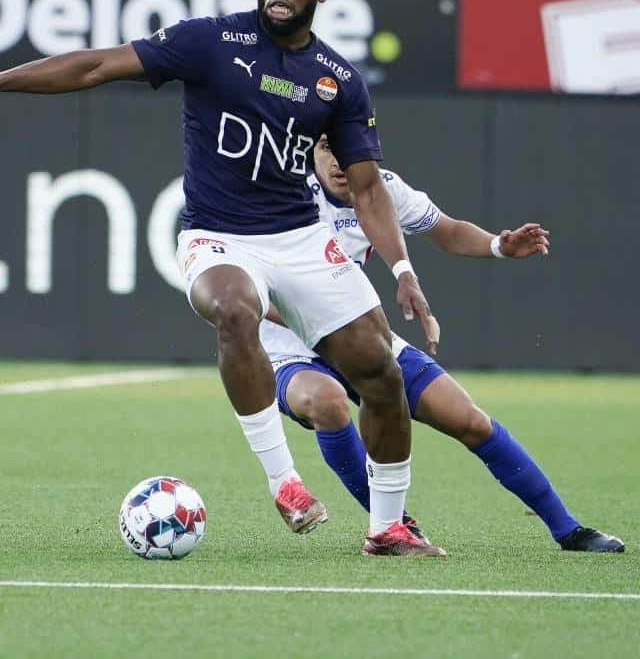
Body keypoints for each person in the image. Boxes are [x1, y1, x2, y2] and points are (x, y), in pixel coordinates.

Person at [0, 0, 445, 555]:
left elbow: (366, 188)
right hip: (218, 234)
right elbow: (95, 65)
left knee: (379, 370)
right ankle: (284, 481)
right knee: (234, 308)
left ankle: (386, 528)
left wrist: (403, 269)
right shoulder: (211, 42)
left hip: (300, 238)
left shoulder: (338, 81)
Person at [260, 135, 624, 553]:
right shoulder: (286, 196)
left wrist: (498, 245)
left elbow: (447, 230)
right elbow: (256, 291)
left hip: (359, 337)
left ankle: (568, 529)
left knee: (469, 419)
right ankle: (395, 527)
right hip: (291, 351)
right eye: (327, 147)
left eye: (348, 147)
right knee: (327, 402)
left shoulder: (383, 188)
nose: (339, 159)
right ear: (310, 149)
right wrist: (321, 319)